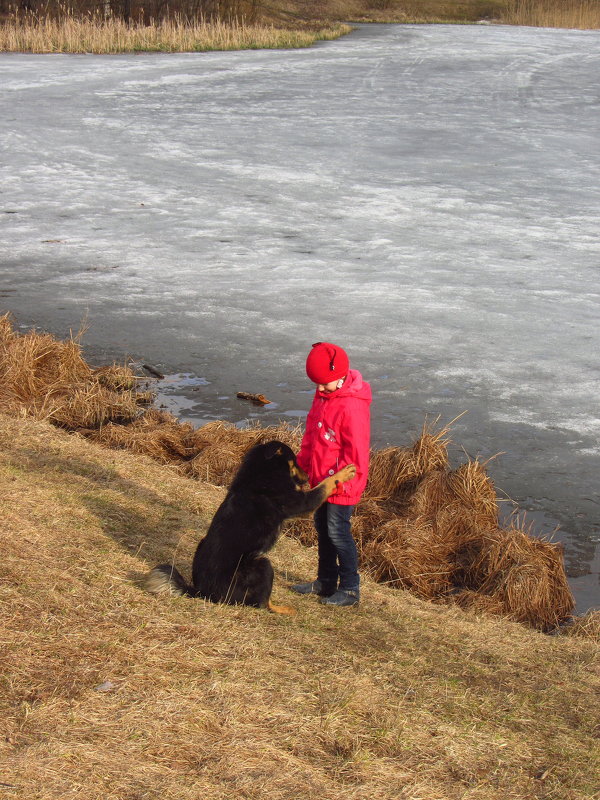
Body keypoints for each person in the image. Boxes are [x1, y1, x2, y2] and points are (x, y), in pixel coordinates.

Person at [290, 342, 372, 607]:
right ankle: (325, 581)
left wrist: (343, 484)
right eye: (316, 384)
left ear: (341, 375)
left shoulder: (351, 406)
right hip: (321, 480)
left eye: (325, 384)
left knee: (338, 532)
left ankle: (349, 589)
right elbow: (312, 436)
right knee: (322, 529)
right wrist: (302, 467)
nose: (320, 389)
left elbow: (356, 452)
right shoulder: (323, 396)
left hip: (342, 484)